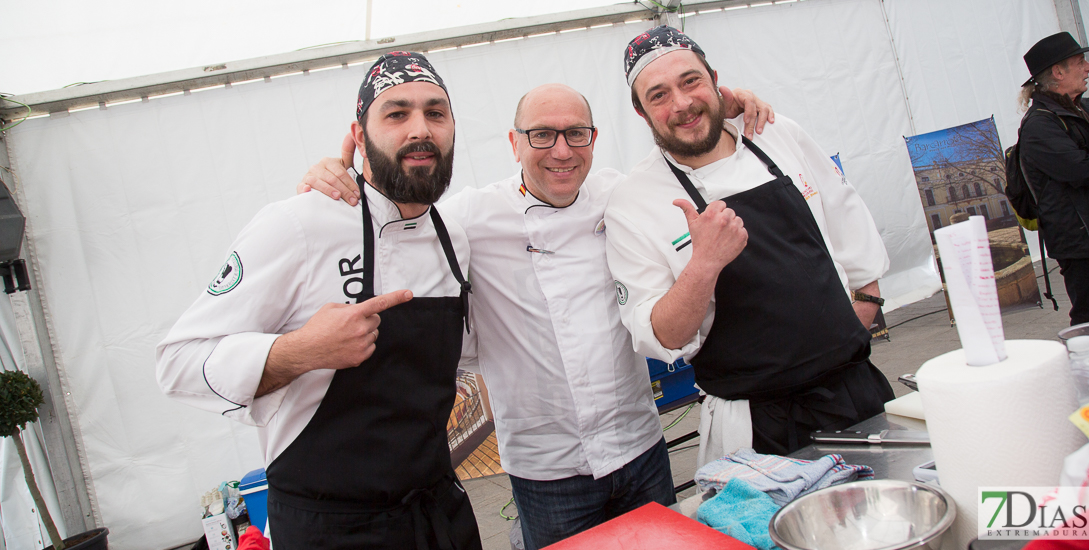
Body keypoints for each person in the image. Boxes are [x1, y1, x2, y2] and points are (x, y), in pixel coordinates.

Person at [300, 83, 773, 548]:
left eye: (576, 134)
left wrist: (730, 113)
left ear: (593, 140)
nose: (561, 151)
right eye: (542, 135)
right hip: (546, 470)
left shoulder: (620, 196)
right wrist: (335, 178)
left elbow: (692, 162)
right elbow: (393, 227)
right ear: (514, 143)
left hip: (639, 447)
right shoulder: (468, 217)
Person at [156, 52, 481, 549]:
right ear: (359, 134)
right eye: (396, 114)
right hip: (330, 529)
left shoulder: (454, 235)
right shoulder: (298, 224)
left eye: (436, 113)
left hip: (438, 516)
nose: (421, 129)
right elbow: (177, 363)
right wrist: (299, 351)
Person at [604, 26, 895, 463]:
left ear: (715, 80)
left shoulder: (776, 135)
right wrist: (703, 264)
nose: (682, 104)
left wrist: (864, 310)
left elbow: (852, 228)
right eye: (658, 95)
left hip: (856, 391)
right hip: (757, 428)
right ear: (642, 112)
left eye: (691, 81)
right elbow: (661, 334)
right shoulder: (633, 202)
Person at [1017, 31, 1089, 326]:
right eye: (1080, 61)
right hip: (1083, 246)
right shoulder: (1039, 126)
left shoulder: (1083, 108)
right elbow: (1085, 171)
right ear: (1058, 72)